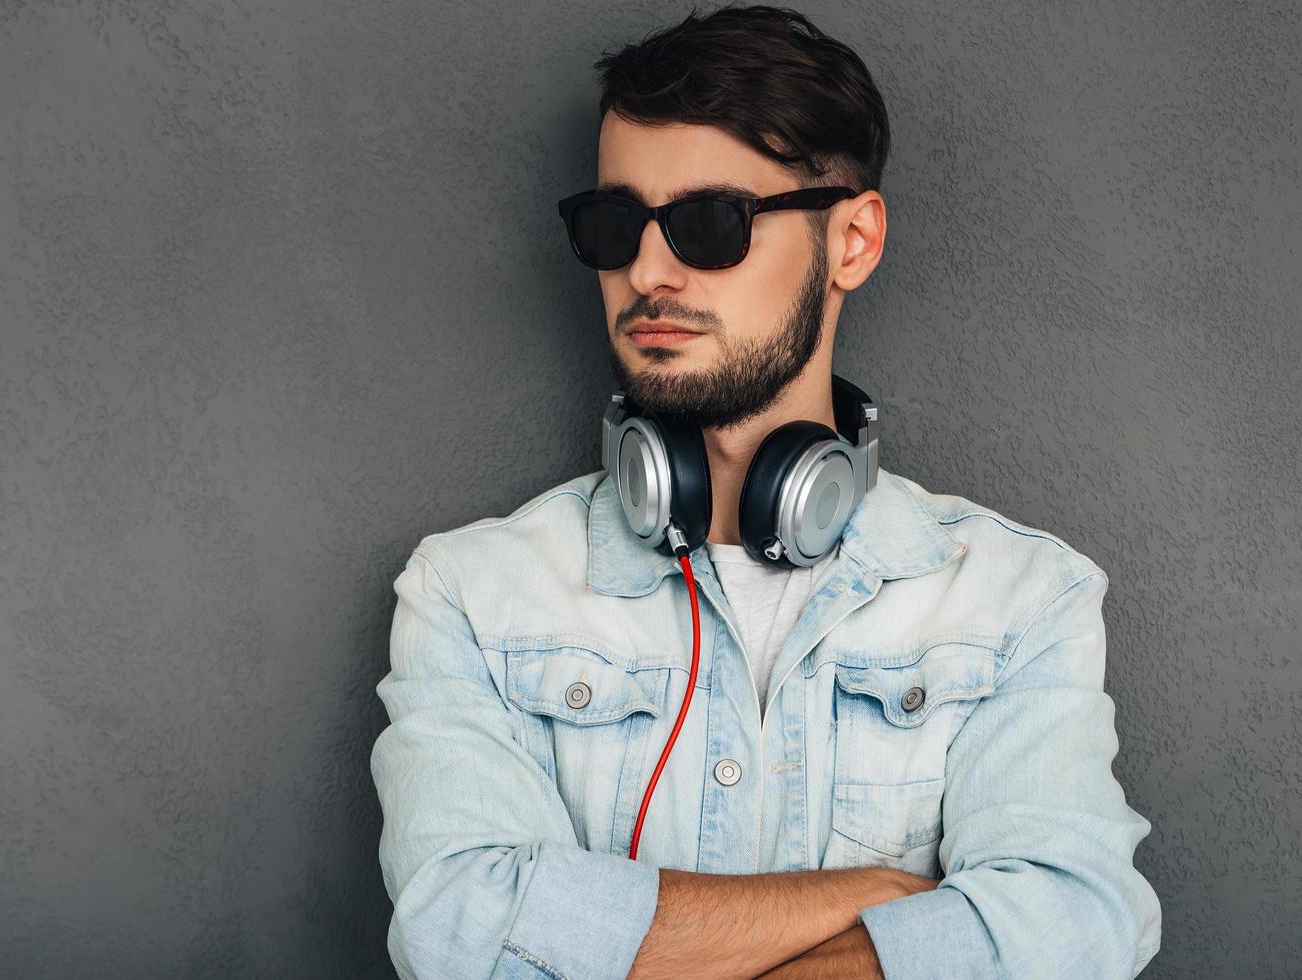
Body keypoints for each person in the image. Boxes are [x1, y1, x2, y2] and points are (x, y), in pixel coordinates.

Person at [370, 5, 1161, 978]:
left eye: (710, 223)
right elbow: (459, 934)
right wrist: (876, 901)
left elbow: (1071, 926)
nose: (647, 271)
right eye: (616, 225)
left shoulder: (1017, 600)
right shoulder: (471, 595)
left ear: (852, 241)